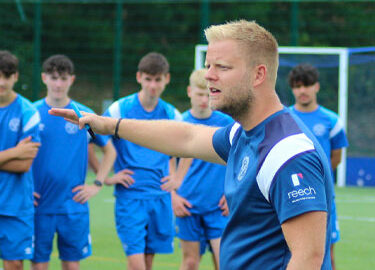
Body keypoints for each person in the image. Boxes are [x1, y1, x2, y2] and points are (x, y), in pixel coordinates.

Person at [50, 20, 334, 269]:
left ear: (258, 74)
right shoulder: (243, 133)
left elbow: (308, 258)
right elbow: (186, 138)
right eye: (208, 65)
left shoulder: (288, 153)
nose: (209, 75)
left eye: (222, 67)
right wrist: (111, 125)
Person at [31, 55, 116, 270]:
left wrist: (96, 184)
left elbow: (109, 151)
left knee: (72, 266)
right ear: (44, 78)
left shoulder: (83, 114)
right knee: (39, 266)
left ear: (72, 80)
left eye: (63, 78)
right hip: (39, 205)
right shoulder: (30, 113)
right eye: (53, 77)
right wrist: (23, 190)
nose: (58, 84)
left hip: (73, 205)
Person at [102, 52, 181, 270]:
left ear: (167, 79)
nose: (152, 86)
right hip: (130, 197)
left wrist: (177, 178)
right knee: (137, 264)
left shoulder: (172, 114)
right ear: (139, 77)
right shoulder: (119, 109)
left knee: (147, 262)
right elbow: (93, 140)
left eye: (158, 80)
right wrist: (106, 178)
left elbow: (186, 149)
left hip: (159, 197)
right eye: (148, 79)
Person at [161, 68, 232, 270]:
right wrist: (173, 196)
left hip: (219, 206)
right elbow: (166, 162)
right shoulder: (178, 123)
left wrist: (232, 193)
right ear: (189, 91)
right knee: (190, 263)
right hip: (187, 206)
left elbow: (240, 161)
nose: (204, 99)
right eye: (200, 94)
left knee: (224, 262)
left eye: (208, 93)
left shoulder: (226, 123)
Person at [288, 63, 349, 270]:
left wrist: (316, 180)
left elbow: (336, 158)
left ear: (317, 87)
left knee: (326, 255)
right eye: (297, 86)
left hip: (323, 197)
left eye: (307, 85)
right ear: (292, 89)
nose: (302, 91)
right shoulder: (283, 119)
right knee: (289, 253)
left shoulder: (332, 121)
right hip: (290, 197)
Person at [0, 50, 41, 270]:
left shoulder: (28, 111)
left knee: (14, 264)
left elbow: (24, 164)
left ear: (15, 76)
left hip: (15, 205)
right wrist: (14, 152)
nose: (1, 82)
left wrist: (19, 156)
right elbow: (18, 158)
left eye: (6, 76)